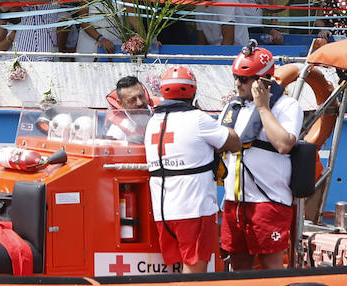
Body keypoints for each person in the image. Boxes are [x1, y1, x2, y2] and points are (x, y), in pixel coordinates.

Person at [218, 44, 301, 271]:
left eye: (244, 79)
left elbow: (284, 144)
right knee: (238, 267)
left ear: (263, 79)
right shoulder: (232, 107)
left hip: (269, 202)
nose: (238, 84)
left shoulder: (287, 106)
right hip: (234, 202)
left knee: (271, 266)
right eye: (236, 77)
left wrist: (263, 108)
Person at [144, 66, 227, 274]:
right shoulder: (198, 119)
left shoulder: (152, 122)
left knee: (177, 273)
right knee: (194, 277)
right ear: (193, 92)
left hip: (164, 213)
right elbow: (231, 142)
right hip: (194, 210)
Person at [105, 74, 151, 142]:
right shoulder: (117, 132)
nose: (140, 103)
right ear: (121, 104)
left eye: (141, 96)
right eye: (132, 100)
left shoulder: (161, 113)